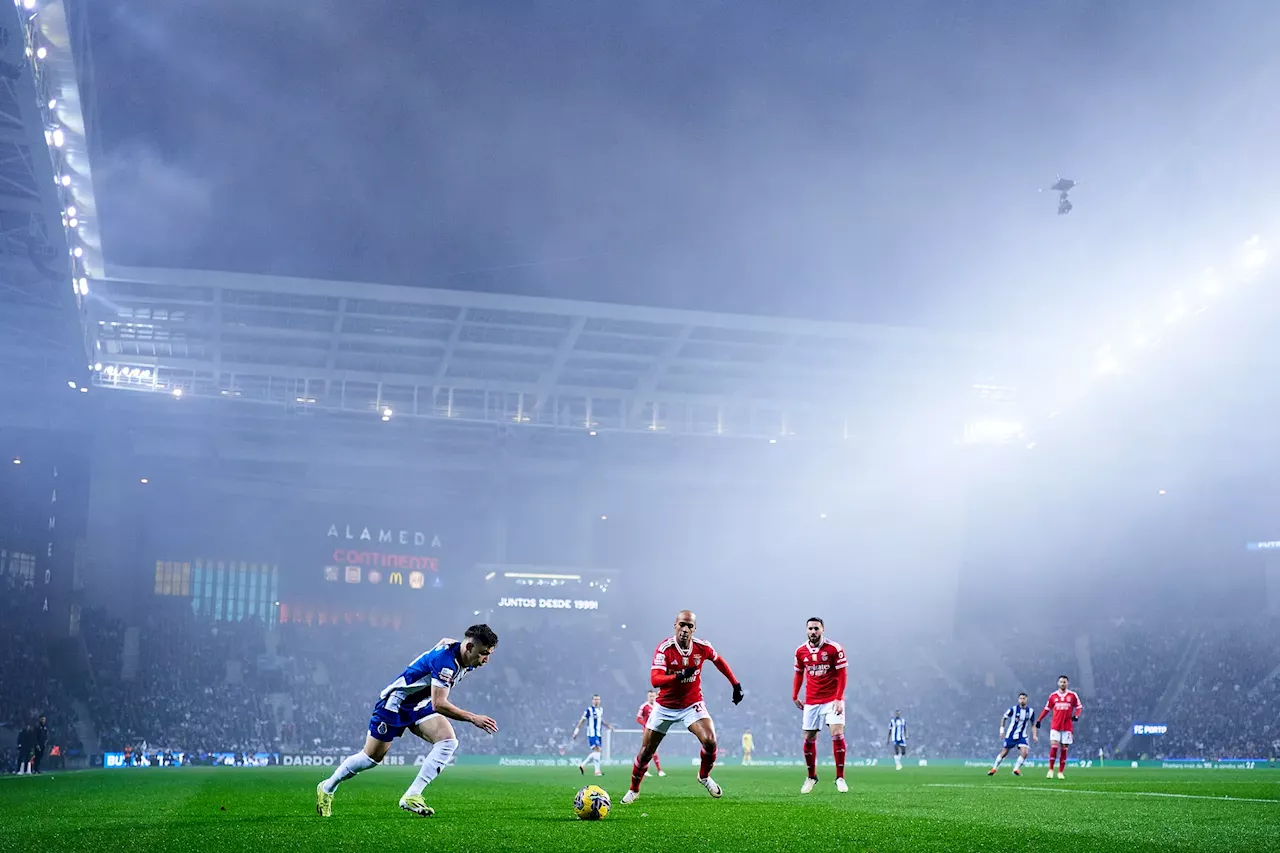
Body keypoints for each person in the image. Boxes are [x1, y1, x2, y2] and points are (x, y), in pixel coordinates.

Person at [315, 624, 500, 818]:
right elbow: (439, 704)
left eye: (489, 654)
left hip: (419, 704)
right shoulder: (446, 663)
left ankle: (412, 795)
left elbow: (446, 641)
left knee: (448, 741)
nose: (486, 660)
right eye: (483, 653)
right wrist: (473, 718)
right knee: (370, 759)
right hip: (395, 703)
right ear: (469, 647)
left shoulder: (463, 654)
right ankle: (327, 788)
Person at [621, 610, 744, 804]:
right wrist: (678, 676)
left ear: (694, 629)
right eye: (682, 625)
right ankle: (634, 789)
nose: (685, 629)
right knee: (646, 752)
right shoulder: (665, 648)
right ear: (675, 625)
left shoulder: (702, 647)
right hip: (665, 707)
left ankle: (704, 776)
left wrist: (735, 685)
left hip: (691, 704)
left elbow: (718, 661)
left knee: (710, 741)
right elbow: (655, 680)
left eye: (689, 626)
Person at [794, 616, 849, 793]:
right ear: (806, 630)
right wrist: (795, 694)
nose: (813, 632)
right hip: (811, 700)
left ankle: (840, 778)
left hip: (832, 698)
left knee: (837, 732)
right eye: (810, 629)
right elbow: (799, 674)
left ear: (823, 629)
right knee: (809, 737)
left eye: (816, 628)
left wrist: (839, 698)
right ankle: (811, 777)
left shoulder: (834, 648)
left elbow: (842, 674)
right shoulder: (800, 651)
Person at [1035, 675, 1083, 779]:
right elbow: (1046, 709)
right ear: (1058, 683)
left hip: (1067, 726)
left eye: (1064, 682)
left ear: (1067, 683)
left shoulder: (1072, 695)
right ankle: (1051, 770)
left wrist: (1076, 716)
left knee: (1064, 749)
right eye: (1061, 682)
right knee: (1054, 747)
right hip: (1055, 725)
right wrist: (1039, 719)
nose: (1062, 684)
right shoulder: (1053, 696)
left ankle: (1060, 772)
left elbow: (1079, 707)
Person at [988, 693, 1034, 776]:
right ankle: (994, 768)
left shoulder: (1030, 711)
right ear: (1018, 700)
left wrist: (1034, 735)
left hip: (1022, 735)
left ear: (1027, 700)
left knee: (1025, 752)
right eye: (1020, 698)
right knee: (1004, 752)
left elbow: (1033, 724)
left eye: (1024, 698)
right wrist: (1002, 730)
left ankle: (1016, 769)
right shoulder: (1013, 709)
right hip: (1011, 735)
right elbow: (1004, 718)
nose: (1022, 700)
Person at [572, 694, 614, 776]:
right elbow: (582, 720)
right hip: (592, 733)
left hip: (598, 733)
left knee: (597, 752)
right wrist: (576, 731)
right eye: (595, 699)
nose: (596, 701)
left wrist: (608, 726)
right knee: (597, 750)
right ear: (592, 700)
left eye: (598, 699)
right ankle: (597, 771)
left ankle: (583, 765)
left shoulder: (600, 710)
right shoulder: (589, 710)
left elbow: (600, 720)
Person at [635, 691, 665, 777]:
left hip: (657, 731)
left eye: (653, 696)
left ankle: (646, 770)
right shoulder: (644, 706)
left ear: (656, 696)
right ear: (647, 697)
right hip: (647, 731)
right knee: (649, 749)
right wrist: (646, 725)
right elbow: (638, 718)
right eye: (650, 696)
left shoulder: (658, 706)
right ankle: (658, 770)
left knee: (653, 750)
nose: (651, 698)